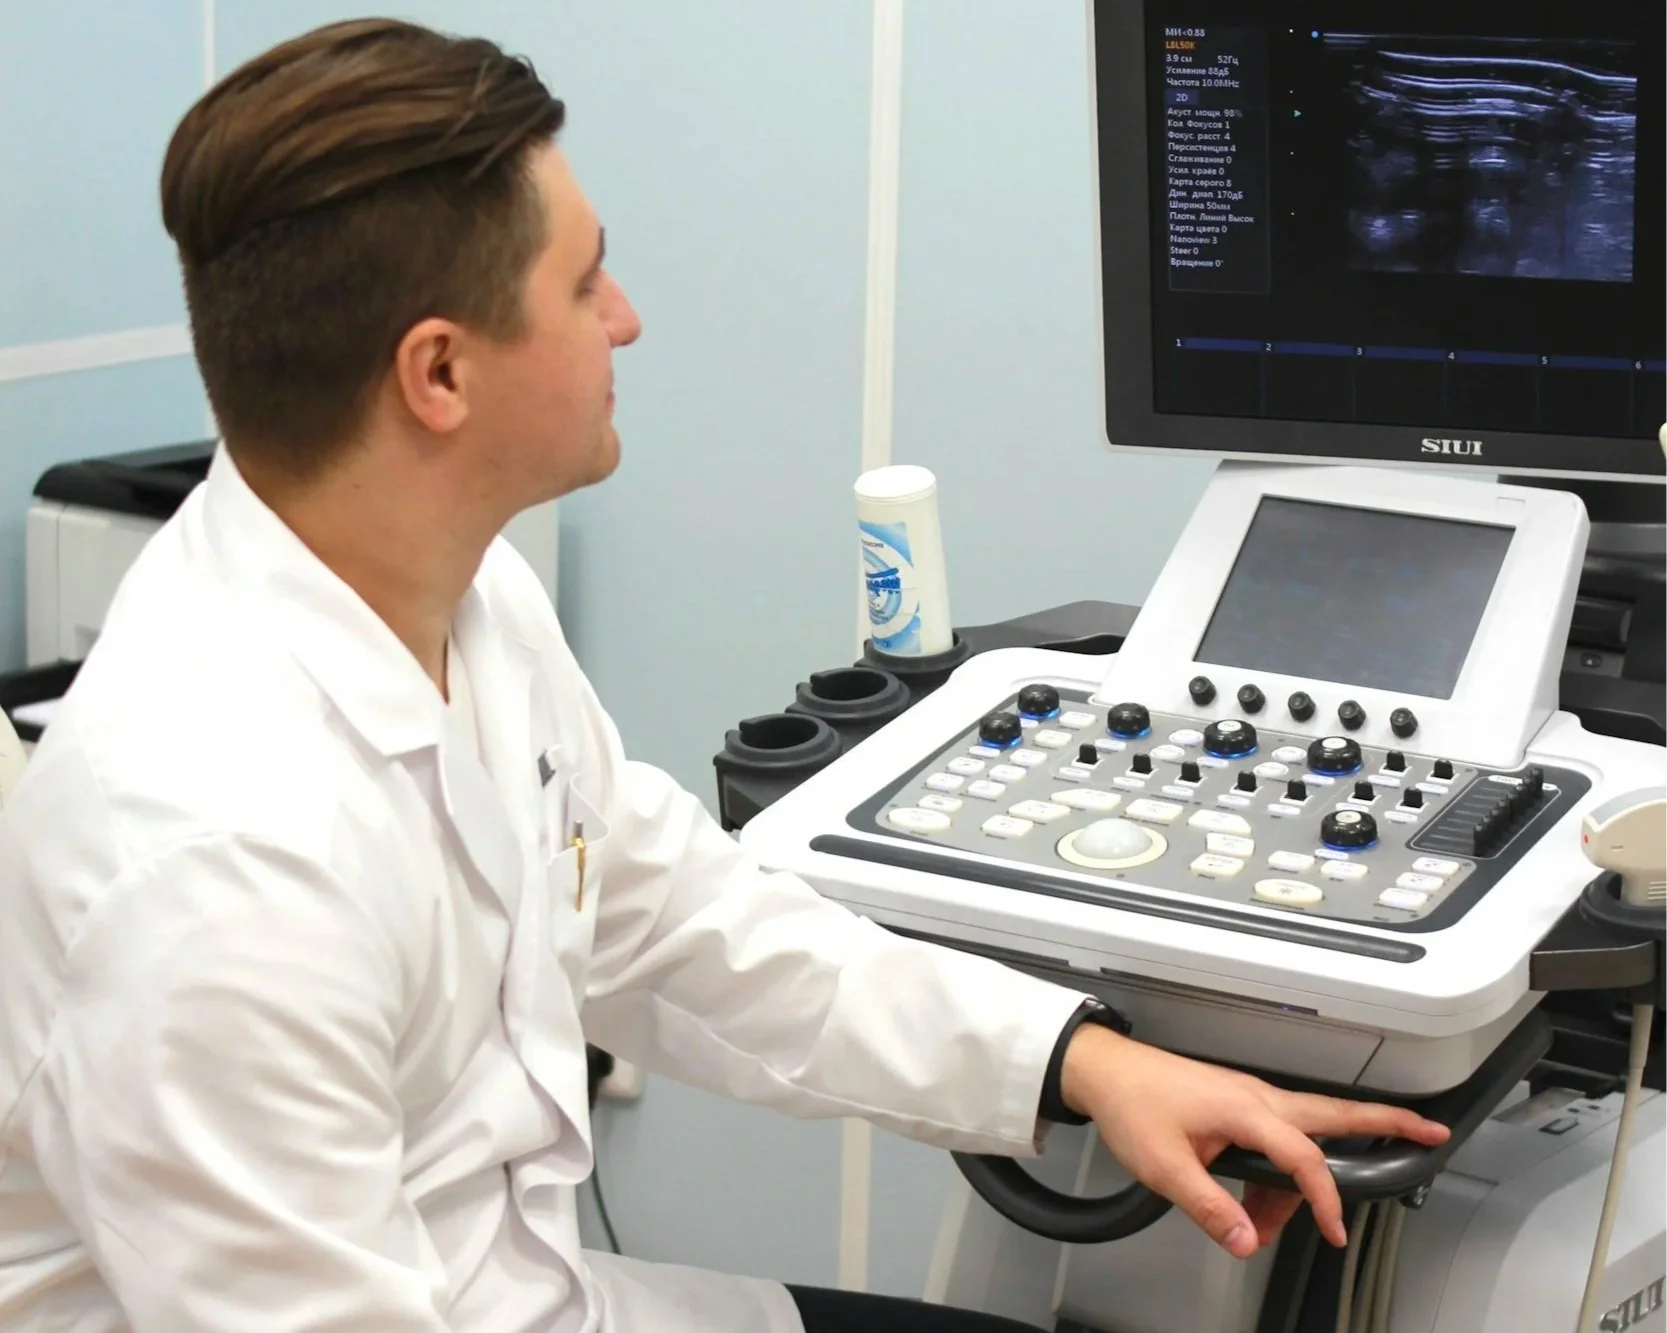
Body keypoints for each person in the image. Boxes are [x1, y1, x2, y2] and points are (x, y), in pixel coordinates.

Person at [0, 20, 1447, 1333]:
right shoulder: (214, 867)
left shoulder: (452, 591)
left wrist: (1081, 1062)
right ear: (437, 376)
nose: (623, 317)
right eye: (581, 282)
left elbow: (668, 921)